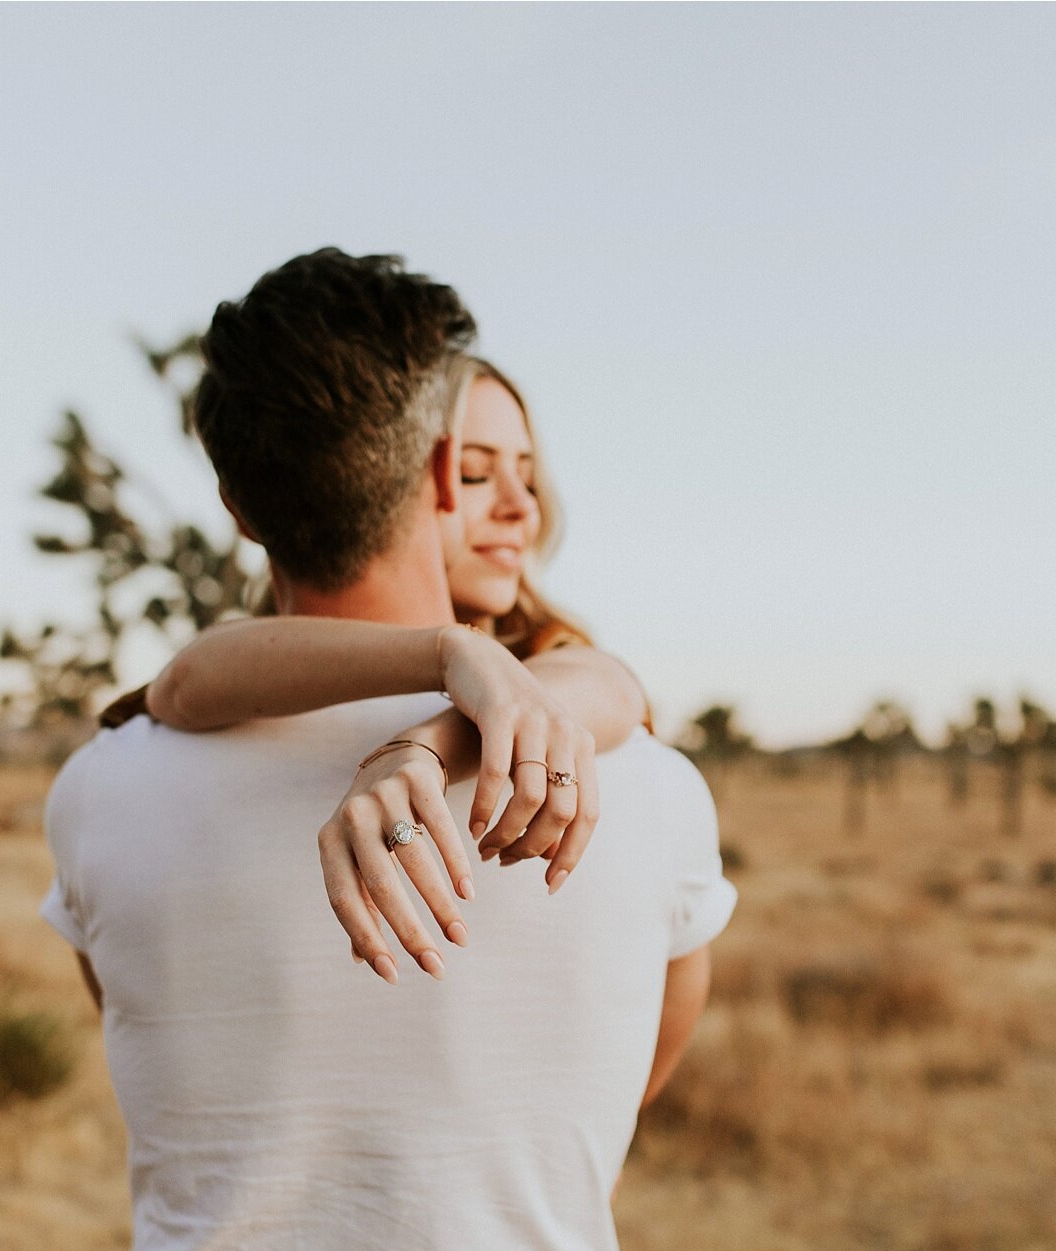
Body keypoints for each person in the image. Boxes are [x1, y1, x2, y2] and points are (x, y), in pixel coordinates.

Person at [39, 248, 734, 1251]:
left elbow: (125, 1014)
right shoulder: (646, 790)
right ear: (444, 468)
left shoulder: (101, 790)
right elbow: (630, 1079)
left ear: (234, 505)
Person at [95, 358, 656, 978]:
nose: (521, 508)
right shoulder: (257, 666)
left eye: (527, 477)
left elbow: (612, 685)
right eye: (473, 474)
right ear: (408, 488)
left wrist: (424, 748)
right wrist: (451, 653)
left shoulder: (559, 661)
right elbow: (186, 680)